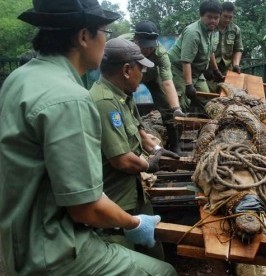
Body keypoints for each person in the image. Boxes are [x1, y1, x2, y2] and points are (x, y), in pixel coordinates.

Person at [0, 1, 176, 275]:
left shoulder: (18, 79)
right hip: (52, 250)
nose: (107, 40)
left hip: (16, 238)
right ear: (84, 36)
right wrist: (134, 224)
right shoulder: (71, 98)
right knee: (163, 271)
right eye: (105, 31)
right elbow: (86, 207)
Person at [89, 37, 180, 261]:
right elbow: (122, 160)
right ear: (127, 70)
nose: (144, 74)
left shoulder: (123, 95)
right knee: (125, 256)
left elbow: (139, 132)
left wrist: (158, 148)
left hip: (135, 192)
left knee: (155, 253)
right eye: (141, 68)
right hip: (116, 201)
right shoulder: (105, 102)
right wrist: (150, 164)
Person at [132, 20, 186, 154]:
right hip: (129, 76)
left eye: (151, 47)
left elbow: (167, 81)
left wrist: (176, 108)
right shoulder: (124, 46)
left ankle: (174, 145)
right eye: (144, 47)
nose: (148, 50)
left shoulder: (160, 53)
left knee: (166, 106)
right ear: (136, 40)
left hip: (151, 77)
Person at [168, 0, 224, 113]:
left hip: (197, 72)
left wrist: (215, 69)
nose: (213, 21)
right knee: (182, 101)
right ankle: (176, 126)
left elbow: (211, 51)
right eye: (209, 17)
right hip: (178, 69)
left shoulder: (213, 31)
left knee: (206, 100)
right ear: (201, 15)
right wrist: (188, 85)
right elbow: (186, 61)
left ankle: (204, 128)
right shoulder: (193, 33)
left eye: (216, 17)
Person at [206, 1, 243, 92]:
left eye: (230, 17)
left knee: (227, 93)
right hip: (210, 68)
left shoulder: (235, 29)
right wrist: (214, 68)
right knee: (209, 93)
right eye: (225, 16)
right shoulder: (211, 27)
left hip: (227, 68)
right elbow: (208, 49)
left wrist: (236, 65)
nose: (227, 20)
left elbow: (238, 49)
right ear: (220, 14)